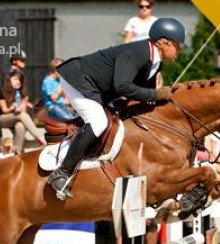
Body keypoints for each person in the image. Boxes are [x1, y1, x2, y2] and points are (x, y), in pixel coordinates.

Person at [47, 17, 185, 199]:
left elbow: (144, 94)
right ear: (163, 42)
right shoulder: (137, 52)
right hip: (78, 80)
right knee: (98, 122)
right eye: (177, 45)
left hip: (97, 88)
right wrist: (156, 95)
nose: (180, 50)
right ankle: (61, 172)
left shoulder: (155, 61)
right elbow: (123, 87)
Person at [0, 70, 46, 154]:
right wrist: (13, 109)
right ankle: (41, 138)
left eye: (20, 80)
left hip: (19, 117)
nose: (18, 82)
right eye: (15, 79)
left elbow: (23, 108)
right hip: (3, 118)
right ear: (9, 80)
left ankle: (16, 152)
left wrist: (21, 108)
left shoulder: (23, 92)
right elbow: (4, 110)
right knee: (21, 115)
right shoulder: (1, 92)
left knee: (20, 126)